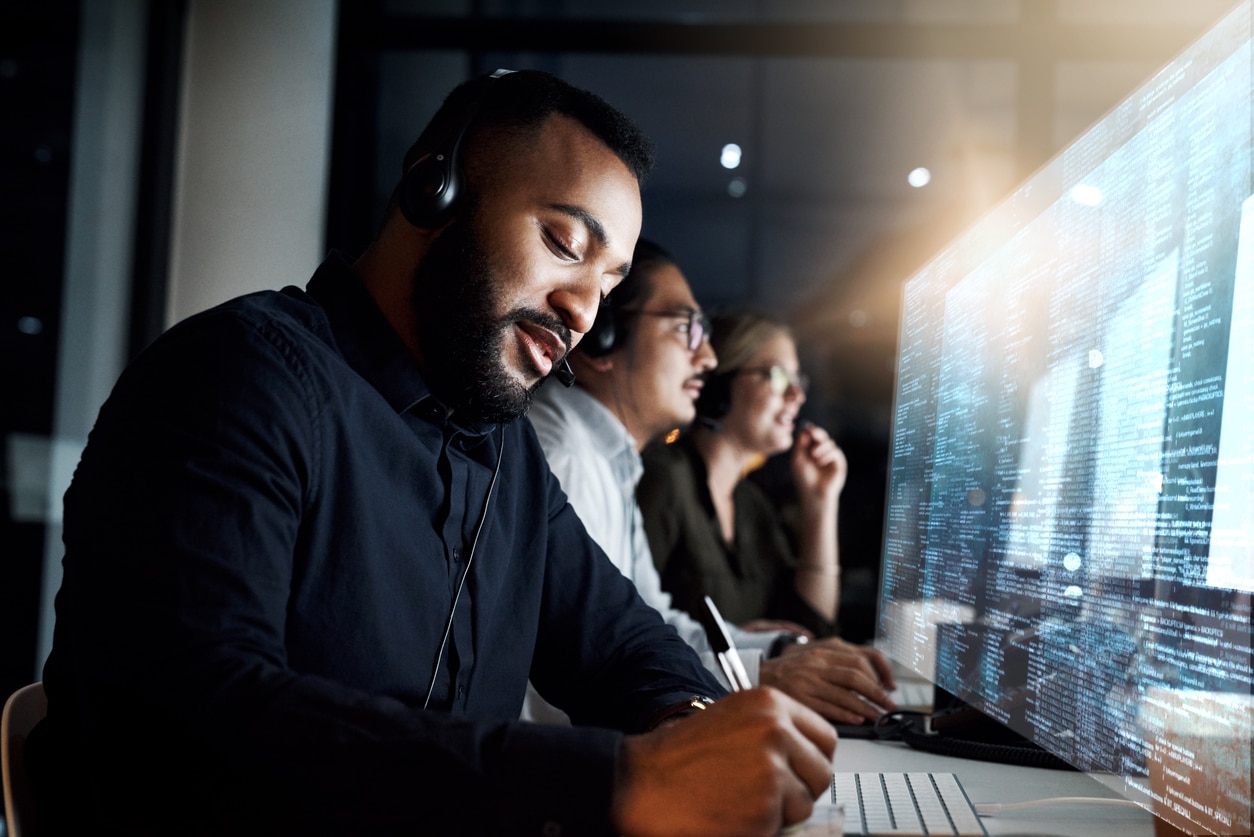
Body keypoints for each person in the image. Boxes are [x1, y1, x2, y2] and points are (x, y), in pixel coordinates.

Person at [29, 70, 837, 837]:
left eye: (608, 281)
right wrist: (620, 784)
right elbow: (200, 722)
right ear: (434, 193)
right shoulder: (236, 378)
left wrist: (691, 729)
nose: (584, 308)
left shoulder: (505, 452)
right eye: (564, 242)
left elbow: (620, 642)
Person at [525, 240, 895, 725]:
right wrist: (764, 673)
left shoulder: (614, 462)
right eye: (686, 329)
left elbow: (649, 628)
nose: (706, 360)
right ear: (602, 338)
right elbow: (589, 670)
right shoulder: (567, 460)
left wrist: (777, 651)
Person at [639, 308, 846, 640]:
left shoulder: (752, 505)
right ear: (721, 383)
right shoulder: (664, 480)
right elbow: (621, 626)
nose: (798, 396)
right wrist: (734, 645)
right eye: (779, 376)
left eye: (798, 381)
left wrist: (821, 505)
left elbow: (810, 629)